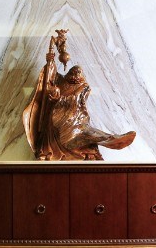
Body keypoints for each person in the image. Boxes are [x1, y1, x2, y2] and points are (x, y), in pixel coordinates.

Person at [23, 32, 135, 160]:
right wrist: (51, 61)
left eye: (77, 73)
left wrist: (59, 98)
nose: (75, 75)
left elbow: (75, 99)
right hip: (55, 119)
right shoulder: (62, 81)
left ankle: (110, 139)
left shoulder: (83, 86)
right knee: (53, 126)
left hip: (74, 121)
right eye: (73, 72)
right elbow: (50, 78)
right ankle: (48, 151)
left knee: (85, 134)